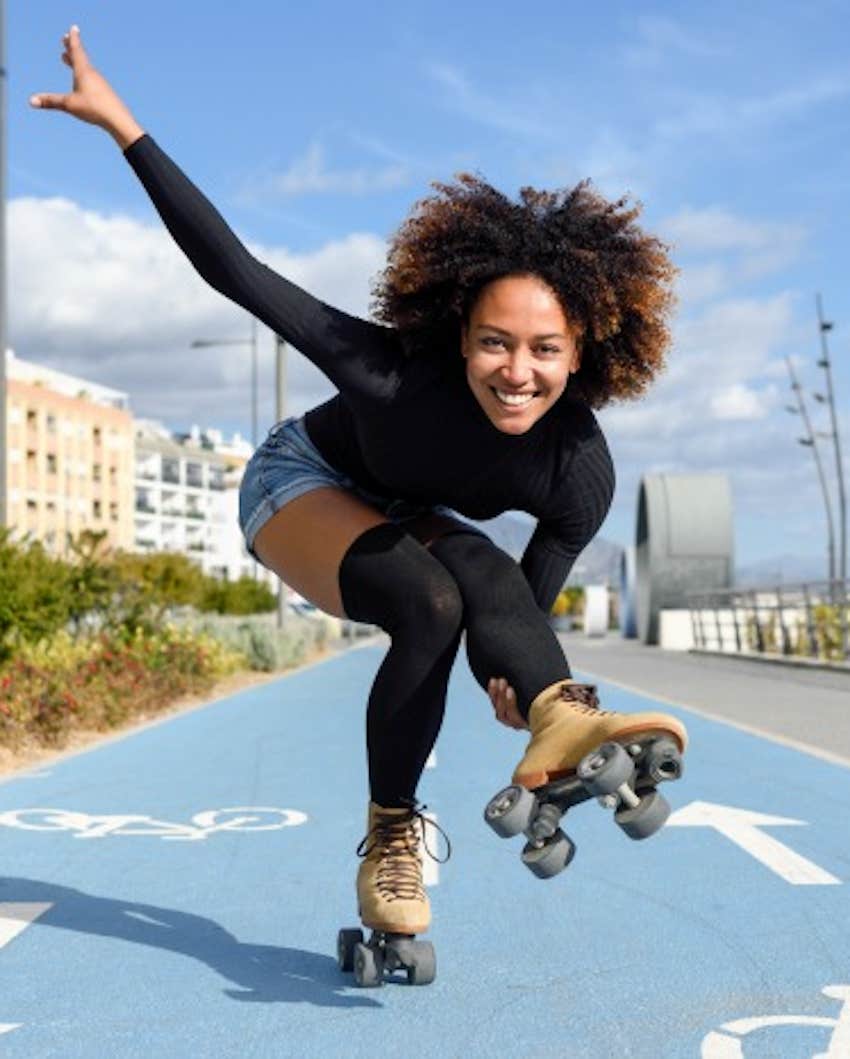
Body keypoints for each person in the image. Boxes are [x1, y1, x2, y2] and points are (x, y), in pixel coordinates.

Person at [31, 26, 688, 941]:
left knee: (480, 582)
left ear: (582, 356)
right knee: (428, 598)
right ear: (461, 337)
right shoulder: (389, 374)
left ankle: (568, 724)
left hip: (400, 512)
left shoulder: (578, 471)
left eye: (545, 350)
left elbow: (516, 613)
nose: (516, 372)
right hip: (294, 481)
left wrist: (523, 686)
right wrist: (123, 126)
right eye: (495, 342)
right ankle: (392, 837)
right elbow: (239, 273)